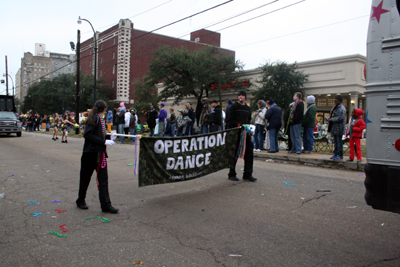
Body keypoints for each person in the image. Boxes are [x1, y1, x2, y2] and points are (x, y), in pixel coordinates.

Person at [76, 100, 119, 214]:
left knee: (103, 180)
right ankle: (80, 200)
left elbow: (99, 134)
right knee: (85, 179)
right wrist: (104, 141)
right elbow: (88, 134)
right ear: (105, 109)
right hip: (90, 154)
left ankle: (106, 205)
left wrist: (109, 137)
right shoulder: (95, 118)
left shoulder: (100, 119)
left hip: (100, 154)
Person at [227, 90, 257, 182]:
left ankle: (248, 174)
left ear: (245, 97)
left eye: (242, 95)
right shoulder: (234, 107)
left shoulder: (247, 108)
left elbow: (248, 120)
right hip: (236, 134)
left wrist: (249, 127)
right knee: (235, 153)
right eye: (239, 95)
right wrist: (238, 125)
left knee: (249, 153)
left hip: (246, 134)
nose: (241, 97)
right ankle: (232, 173)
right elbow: (229, 120)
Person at [327, 95, 346, 160]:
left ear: (340, 101)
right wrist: (329, 118)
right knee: (335, 141)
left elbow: (340, 118)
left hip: (339, 128)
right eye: (334, 101)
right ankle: (335, 154)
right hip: (334, 127)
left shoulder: (342, 109)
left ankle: (339, 155)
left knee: (339, 141)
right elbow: (331, 114)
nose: (335, 102)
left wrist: (331, 119)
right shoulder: (335, 107)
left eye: (336, 101)